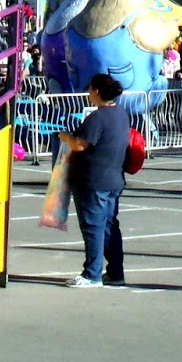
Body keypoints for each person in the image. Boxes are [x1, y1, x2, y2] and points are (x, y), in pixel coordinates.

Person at [58, 72, 130, 287]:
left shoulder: (97, 118)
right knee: (109, 227)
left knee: (93, 227)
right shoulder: (120, 113)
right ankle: (115, 272)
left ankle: (92, 274)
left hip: (94, 180)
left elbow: (80, 144)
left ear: (97, 91)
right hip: (113, 178)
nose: (89, 93)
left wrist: (64, 136)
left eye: (90, 89)